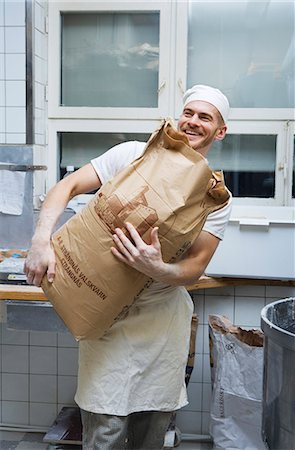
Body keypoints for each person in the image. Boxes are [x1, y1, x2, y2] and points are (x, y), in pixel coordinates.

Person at [24, 84, 232, 450]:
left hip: (160, 325)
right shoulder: (135, 155)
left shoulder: (213, 198)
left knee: (150, 438)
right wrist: (41, 240)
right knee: (102, 433)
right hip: (107, 322)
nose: (193, 122)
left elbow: (195, 267)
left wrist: (156, 268)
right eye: (189, 113)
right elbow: (68, 185)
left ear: (220, 131)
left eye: (205, 117)